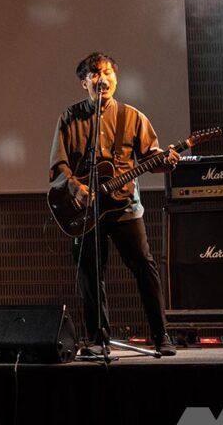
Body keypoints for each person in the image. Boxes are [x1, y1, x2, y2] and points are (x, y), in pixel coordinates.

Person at [49, 52, 179, 357]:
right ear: (84, 83)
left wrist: (167, 160)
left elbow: (152, 156)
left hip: (124, 207)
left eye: (108, 73)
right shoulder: (70, 117)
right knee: (90, 275)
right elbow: (59, 164)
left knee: (144, 267)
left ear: (116, 80)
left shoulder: (132, 117)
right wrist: (76, 187)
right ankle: (98, 339)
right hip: (86, 210)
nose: (103, 79)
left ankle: (161, 335)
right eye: (95, 74)